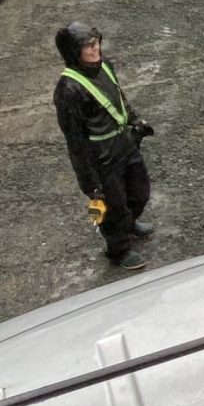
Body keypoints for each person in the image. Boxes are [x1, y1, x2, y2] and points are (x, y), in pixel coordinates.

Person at [52, 21, 154, 270]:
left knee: (140, 191)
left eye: (95, 43)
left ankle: (129, 224)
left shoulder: (105, 66)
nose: (94, 49)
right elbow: (75, 142)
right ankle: (118, 249)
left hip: (125, 144)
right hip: (101, 157)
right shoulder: (68, 90)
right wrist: (89, 182)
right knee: (113, 205)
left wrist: (134, 119)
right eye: (87, 46)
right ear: (73, 52)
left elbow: (119, 98)